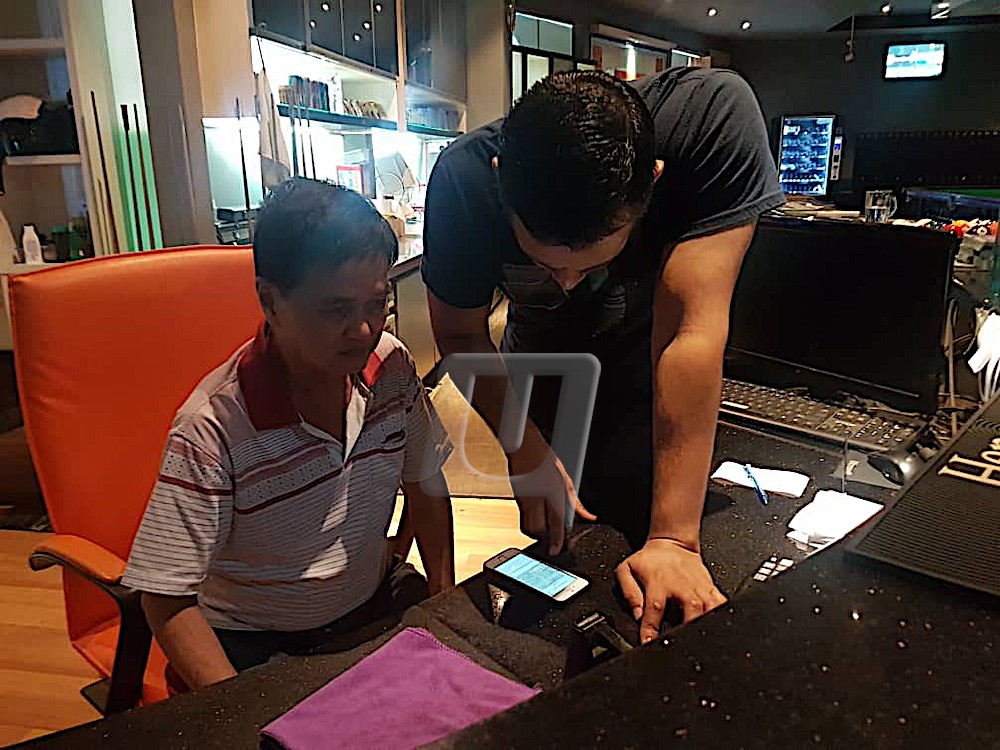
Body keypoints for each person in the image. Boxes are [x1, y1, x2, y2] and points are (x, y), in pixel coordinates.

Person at [421, 69, 783, 644]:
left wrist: (674, 539)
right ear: (499, 177)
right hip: (541, 373)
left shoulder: (711, 120)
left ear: (653, 182)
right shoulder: (464, 179)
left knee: (662, 542)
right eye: (544, 265)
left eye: (589, 264)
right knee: (567, 556)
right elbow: (462, 335)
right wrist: (524, 447)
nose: (566, 284)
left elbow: (687, 334)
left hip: (650, 361)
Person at [122, 179, 454, 689]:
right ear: (270, 302)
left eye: (376, 303)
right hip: (258, 643)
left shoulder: (392, 368)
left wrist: (444, 606)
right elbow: (165, 599)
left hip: (367, 608)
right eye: (335, 310)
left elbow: (426, 483)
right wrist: (236, 706)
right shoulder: (212, 429)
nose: (364, 330)